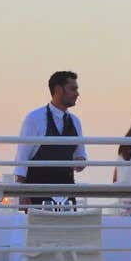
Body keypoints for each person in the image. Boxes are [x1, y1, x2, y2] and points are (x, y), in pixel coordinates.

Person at [14, 71, 86, 205]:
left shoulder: (75, 121)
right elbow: (21, 159)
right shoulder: (34, 118)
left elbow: (81, 155)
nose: (77, 94)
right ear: (58, 89)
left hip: (66, 191)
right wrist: (22, 194)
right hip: (37, 191)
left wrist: (81, 160)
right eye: (73, 89)